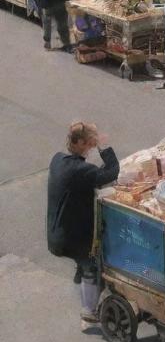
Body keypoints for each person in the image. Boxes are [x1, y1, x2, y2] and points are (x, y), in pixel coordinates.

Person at [46, 122, 119, 328]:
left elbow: (89, 177)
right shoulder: (82, 170)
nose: (90, 148)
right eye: (88, 144)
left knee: (84, 261)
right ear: (79, 143)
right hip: (70, 238)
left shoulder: (57, 160)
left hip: (56, 231)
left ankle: (83, 280)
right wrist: (104, 147)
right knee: (92, 264)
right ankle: (89, 311)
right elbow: (112, 172)